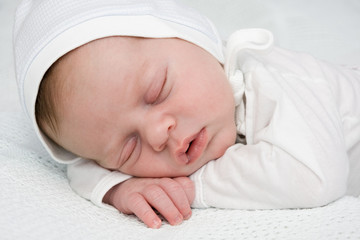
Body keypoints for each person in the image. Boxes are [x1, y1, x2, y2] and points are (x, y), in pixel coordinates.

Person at [14, 0, 360, 229]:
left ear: (197, 39)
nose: (156, 134)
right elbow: (81, 166)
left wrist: (188, 188)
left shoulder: (277, 80)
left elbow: (311, 178)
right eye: (128, 148)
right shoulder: (115, 147)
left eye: (157, 91)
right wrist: (118, 189)